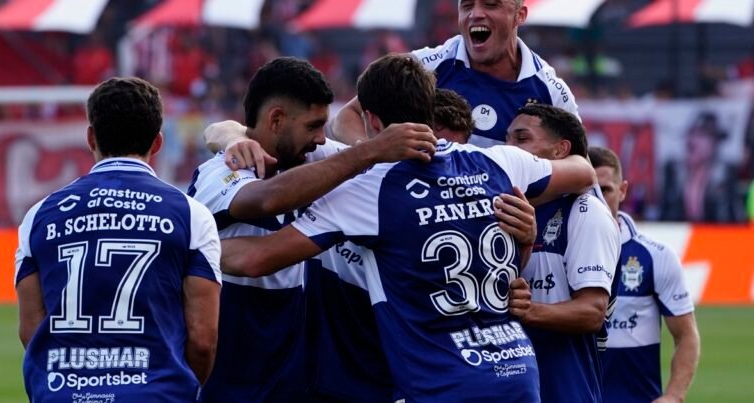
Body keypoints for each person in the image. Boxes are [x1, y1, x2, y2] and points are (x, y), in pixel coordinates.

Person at [218, 53, 597, 402]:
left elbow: (257, 258)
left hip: (442, 384)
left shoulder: (368, 189)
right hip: (517, 373)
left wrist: (190, 244)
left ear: (372, 120)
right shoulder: (501, 162)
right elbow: (584, 170)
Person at [188, 57, 437, 403]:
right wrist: (370, 150)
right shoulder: (219, 172)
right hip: (232, 380)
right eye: (313, 126)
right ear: (276, 120)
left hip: (293, 380)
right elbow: (265, 200)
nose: (322, 139)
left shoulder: (310, 159)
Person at [15, 77, 222, 402]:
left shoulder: (38, 216)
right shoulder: (191, 215)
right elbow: (202, 339)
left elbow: (31, 330)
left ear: (90, 137)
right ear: (157, 142)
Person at [330, 0, 578, 147]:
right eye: (467, 5)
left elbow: (580, 168)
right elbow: (348, 115)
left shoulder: (550, 89)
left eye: (491, 4)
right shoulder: (426, 65)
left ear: (519, 15)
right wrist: (373, 155)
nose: (476, 13)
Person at [502, 104, 620, 402]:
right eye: (507, 139)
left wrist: (529, 311)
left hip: (564, 390)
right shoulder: (508, 209)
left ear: (560, 151)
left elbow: (592, 312)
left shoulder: (584, 211)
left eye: (521, 138)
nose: (508, 148)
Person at [590, 146, 701, 403]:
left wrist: (674, 395)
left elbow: (686, 334)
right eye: (589, 190)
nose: (596, 198)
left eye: (605, 189)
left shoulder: (655, 256)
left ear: (623, 190)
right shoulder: (556, 252)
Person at [660, 111, 745, 222]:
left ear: (715, 142)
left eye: (701, 135)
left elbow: (730, 217)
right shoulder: (674, 172)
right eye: (691, 133)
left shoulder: (726, 174)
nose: (692, 141)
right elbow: (667, 216)